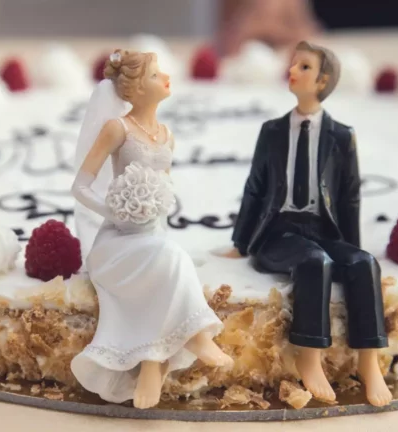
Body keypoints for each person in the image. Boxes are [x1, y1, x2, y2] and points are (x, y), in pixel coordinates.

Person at [221, 41, 393, 407]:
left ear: (322, 80)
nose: (292, 71)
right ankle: (309, 357)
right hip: (279, 232)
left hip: (323, 229)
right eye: (294, 64)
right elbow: (254, 187)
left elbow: (349, 196)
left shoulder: (342, 136)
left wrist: (352, 246)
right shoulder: (272, 131)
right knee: (314, 261)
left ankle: (369, 361)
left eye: (303, 67)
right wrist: (241, 242)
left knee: (364, 264)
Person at [69, 49, 233, 410]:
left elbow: (166, 192)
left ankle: (150, 366)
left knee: (170, 256)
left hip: (153, 236)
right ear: (137, 88)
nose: (166, 78)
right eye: (156, 75)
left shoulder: (167, 134)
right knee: (172, 258)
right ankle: (195, 334)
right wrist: (115, 211)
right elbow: (79, 187)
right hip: (118, 241)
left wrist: (156, 214)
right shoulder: (118, 129)